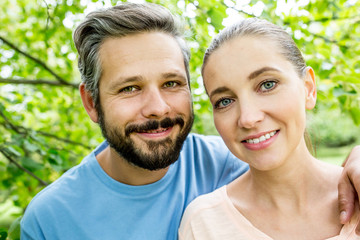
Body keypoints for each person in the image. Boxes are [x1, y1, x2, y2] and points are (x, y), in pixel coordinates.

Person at [20, 3, 360, 240]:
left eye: (171, 83)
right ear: (92, 104)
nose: (157, 107)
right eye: (129, 88)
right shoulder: (50, 219)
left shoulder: (232, 160)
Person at [179, 18, 360, 239]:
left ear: (308, 89)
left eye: (267, 85)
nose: (248, 118)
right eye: (225, 101)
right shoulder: (204, 223)